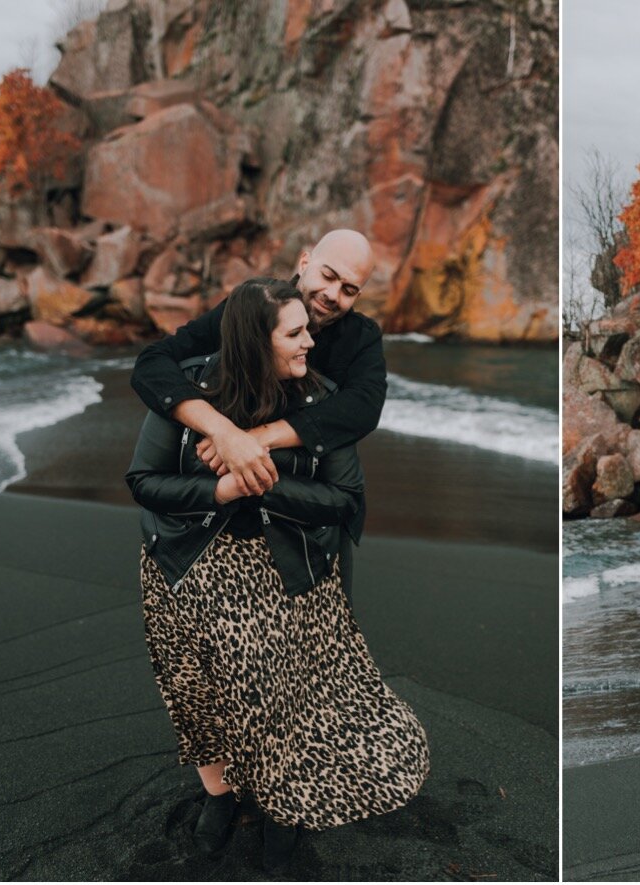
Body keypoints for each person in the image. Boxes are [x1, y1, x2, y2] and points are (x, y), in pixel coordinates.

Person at [125, 278, 428, 871]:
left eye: (307, 330)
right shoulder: (187, 389)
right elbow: (144, 482)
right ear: (254, 343)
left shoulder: (322, 400)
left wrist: (264, 484)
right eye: (295, 334)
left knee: (277, 702)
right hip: (182, 565)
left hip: (283, 573)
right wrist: (220, 486)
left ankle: (285, 808)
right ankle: (219, 794)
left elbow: (345, 498)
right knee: (194, 693)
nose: (311, 342)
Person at [130, 229, 385, 596]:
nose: (333, 295)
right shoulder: (250, 311)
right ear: (305, 261)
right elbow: (153, 365)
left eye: (349, 289)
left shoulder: (361, 337)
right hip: (223, 515)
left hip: (311, 514)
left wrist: (256, 438)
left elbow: (363, 408)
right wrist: (222, 432)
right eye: (329, 276)